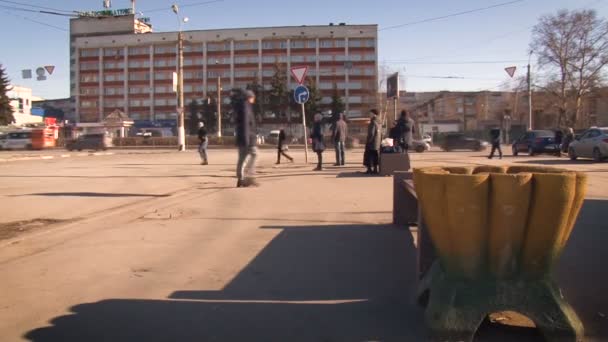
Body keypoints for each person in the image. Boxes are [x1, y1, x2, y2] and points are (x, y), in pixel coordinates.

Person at [234, 89, 259, 188]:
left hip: (242, 138)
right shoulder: (245, 107)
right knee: (255, 154)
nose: (254, 99)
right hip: (247, 138)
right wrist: (246, 139)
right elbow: (245, 124)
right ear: (249, 97)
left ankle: (241, 179)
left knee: (242, 159)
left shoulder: (242, 106)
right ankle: (248, 177)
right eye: (253, 97)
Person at [364, 109, 381, 174]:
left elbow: (371, 133)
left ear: (374, 114)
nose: (369, 115)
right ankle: (375, 169)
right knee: (375, 156)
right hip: (377, 142)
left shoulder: (373, 122)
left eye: (370, 113)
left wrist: (368, 141)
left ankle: (369, 169)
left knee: (369, 156)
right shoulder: (379, 121)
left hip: (372, 142)